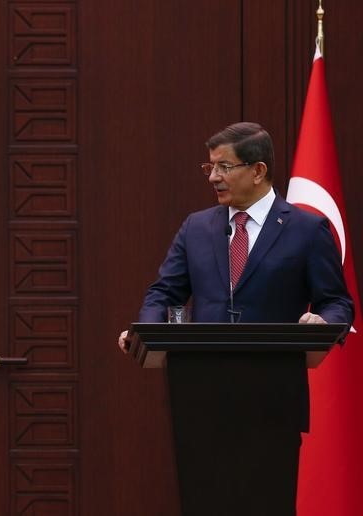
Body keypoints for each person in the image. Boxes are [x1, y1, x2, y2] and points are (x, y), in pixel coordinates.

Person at [118, 122, 353, 516]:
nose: (213, 177)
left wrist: (322, 324)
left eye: (224, 167)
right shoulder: (196, 227)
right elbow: (164, 292)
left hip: (272, 402)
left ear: (258, 170)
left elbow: (338, 303)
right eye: (209, 167)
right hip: (200, 400)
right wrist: (148, 329)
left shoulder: (307, 229)